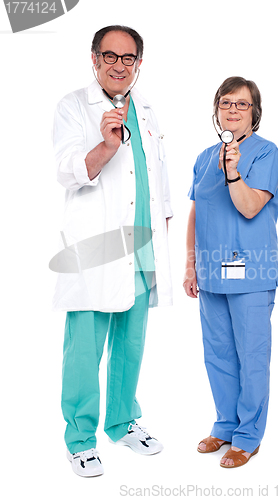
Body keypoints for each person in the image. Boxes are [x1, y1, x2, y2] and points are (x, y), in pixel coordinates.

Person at [51, 25, 173, 477]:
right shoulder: (73, 106)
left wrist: (164, 238)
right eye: (110, 56)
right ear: (94, 59)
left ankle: (122, 422)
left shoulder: (147, 110)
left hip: (142, 244)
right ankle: (80, 439)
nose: (119, 65)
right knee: (84, 347)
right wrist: (106, 144)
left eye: (128, 58)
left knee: (131, 342)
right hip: (96, 249)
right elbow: (67, 171)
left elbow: (156, 179)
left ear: (139, 64)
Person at [184, 77, 278, 468]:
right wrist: (191, 264)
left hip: (252, 273)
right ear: (217, 109)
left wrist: (233, 171)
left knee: (251, 355)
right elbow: (196, 210)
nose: (233, 109)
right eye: (226, 102)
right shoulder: (205, 156)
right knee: (219, 355)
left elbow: (248, 207)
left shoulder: (265, 153)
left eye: (242, 104)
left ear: (254, 113)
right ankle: (225, 425)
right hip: (211, 274)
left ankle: (248, 436)